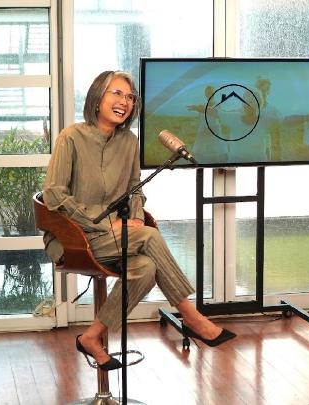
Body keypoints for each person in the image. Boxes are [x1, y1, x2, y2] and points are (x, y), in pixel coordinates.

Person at [42, 71, 235, 370]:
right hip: (75, 237)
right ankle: (191, 316)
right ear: (97, 98)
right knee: (149, 235)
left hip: (117, 235)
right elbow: (54, 194)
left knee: (145, 268)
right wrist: (102, 223)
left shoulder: (130, 142)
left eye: (130, 97)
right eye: (117, 93)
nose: (125, 101)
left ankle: (91, 337)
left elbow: (134, 188)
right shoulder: (71, 138)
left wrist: (133, 218)